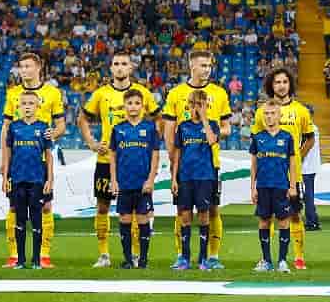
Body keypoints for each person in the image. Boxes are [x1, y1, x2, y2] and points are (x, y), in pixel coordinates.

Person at [78, 52, 159, 268]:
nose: (120, 67)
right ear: (111, 68)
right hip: (107, 161)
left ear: (131, 68)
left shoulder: (142, 92)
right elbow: (82, 118)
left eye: (124, 63)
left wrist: (152, 142)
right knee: (102, 207)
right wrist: (92, 143)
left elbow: (158, 118)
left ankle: (135, 254)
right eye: (116, 64)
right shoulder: (101, 94)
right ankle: (104, 254)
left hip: (136, 164)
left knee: (137, 212)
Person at [162, 50, 232, 269]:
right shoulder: (176, 93)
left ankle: (212, 256)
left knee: (212, 209)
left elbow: (227, 128)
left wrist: (211, 131)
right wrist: (172, 158)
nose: (207, 69)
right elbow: (169, 130)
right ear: (192, 66)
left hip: (210, 163)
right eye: (203, 65)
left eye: (209, 65)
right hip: (184, 165)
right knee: (182, 210)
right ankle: (181, 255)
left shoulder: (219, 93)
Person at [0, 52, 65, 268]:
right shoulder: (12, 94)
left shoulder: (52, 93)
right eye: (21, 67)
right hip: (18, 160)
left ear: (38, 67)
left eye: (28, 66)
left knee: (45, 207)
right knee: (14, 207)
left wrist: (52, 134)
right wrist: (4, 160)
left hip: (40, 159)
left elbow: (61, 125)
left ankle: (43, 254)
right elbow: (6, 129)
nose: (24, 70)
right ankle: (14, 255)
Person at [250, 68, 315, 268]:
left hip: (291, 176)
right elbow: (257, 142)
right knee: (267, 216)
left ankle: (298, 257)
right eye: (277, 82)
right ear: (271, 85)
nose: (281, 85)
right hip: (268, 175)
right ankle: (267, 258)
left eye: (285, 82)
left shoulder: (301, 110)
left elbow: (310, 138)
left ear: (290, 84)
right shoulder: (262, 111)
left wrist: (296, 158)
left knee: (294, 215)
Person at [1, 92, 54, 269]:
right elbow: (8, 154)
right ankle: (21, 260)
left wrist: (50, 179)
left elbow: (49, 155)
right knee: (20, 220)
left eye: (31, 103)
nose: (27, 106)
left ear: (37, 106)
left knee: (37, 220)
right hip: (17, 180)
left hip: (37, 180)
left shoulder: (44, 127)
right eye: (24, 103)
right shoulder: (14, 127)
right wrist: (5, 177)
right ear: (19, 107)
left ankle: (37, 260)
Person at [109, 89, 161, 269]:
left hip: (142, 184)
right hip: (124, 183)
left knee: (142, 220)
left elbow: (155, 155)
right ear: (124, 106)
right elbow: (112, 156)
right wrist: (114, 180)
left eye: (137, 103)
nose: (133, 107)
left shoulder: (150, 128)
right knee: (124, 220)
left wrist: (151, 180)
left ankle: (143, 259)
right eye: (130, 103)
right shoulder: (118, 129)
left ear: (143, 106)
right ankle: (128, 259)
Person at [171, 90, 219, 270]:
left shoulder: (212, 125)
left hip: (205, 177)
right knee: (185, 216)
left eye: (200, 105)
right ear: (188, 106)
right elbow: (177, 154)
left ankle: (203, 258)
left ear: (206, 106)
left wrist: (204, 118)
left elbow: (212, 141)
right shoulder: (183, 127)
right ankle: (185, 258)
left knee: (204, 216)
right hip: (185, 177)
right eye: (193, 105)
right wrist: (174, 178)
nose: (196, 108)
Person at [250, 100, 299, 273]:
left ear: (279, 115)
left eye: (272, 113)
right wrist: (253, 187)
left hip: (281, 186)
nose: (269, 116)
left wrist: (292, 186)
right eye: (266, 113)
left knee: (283, 222)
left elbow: (292, 163)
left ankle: (282, 261)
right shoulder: (258, 138)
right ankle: (266, 261)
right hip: (263, 186)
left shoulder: (287, 137)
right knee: (264, 221)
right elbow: (254, 164)